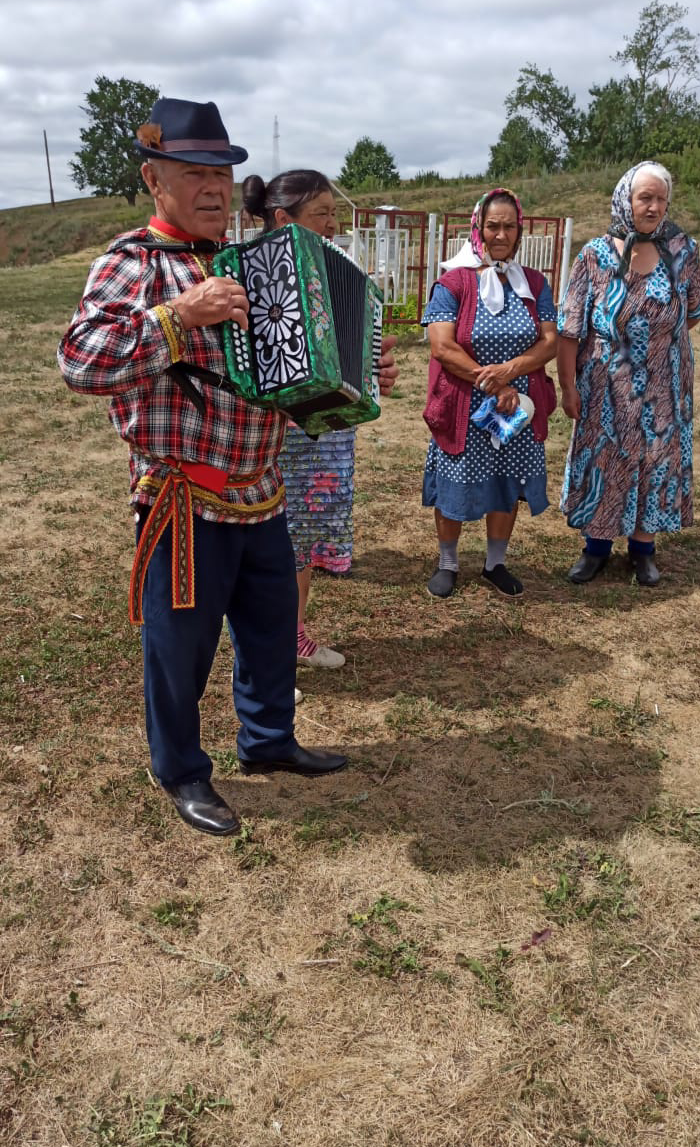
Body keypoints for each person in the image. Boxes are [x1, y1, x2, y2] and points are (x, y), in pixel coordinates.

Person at [57, 98, 348, 839]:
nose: (215, 188)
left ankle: (268, 742)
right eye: (194, 173)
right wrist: (177, 317)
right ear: (156, 180)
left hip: (262, 492)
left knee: (270, 628)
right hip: (182, 501)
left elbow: (282, 371)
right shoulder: (130, 262)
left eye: (221, 171)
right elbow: (79, 362)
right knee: (179, 650)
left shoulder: (255, 262)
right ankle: (182, 770)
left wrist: (339, 383)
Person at [241, 170, 399, 670]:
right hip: (272, 435)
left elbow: (349, 348)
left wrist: (374, 371)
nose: (333, 224)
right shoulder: (251, 274)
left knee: (302, 538)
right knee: (268, 551)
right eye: (322, 214)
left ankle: (294, 635)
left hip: (324, 432)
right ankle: (262, 657)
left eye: (334, 213)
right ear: (283, 219)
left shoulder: (338, 268)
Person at [557, 160, 700, 586]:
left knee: (656, 461)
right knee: (605, 457)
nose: (655, 206)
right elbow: (570, 328)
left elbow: (694, 309)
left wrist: (654, 343)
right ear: (626, 198)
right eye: (646, 197)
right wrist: (568, 386)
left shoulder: (682, 250)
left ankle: (643, 550)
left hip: (665, 384)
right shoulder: (594, 255)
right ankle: (596, 548)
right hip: (606, 385)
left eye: (661, 198)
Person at [422, 188, 557, 598]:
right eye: (492, 226)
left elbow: (549, 341)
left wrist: (513, 373)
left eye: (509, 226)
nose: (501, 234)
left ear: (520, 231)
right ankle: (448, 563)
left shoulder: (533, 283)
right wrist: (496, 382)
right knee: (455, 481)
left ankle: (495, 562)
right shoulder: (454, 281)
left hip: (516, 407)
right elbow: (443, 346)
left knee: (506, 481)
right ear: (478, 227)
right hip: (466, 404)